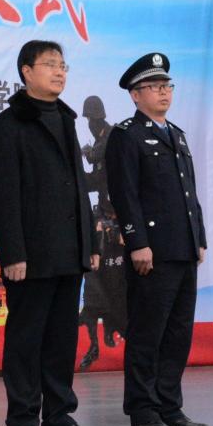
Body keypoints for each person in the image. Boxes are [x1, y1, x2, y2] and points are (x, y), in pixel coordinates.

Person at [0, 40, 101, 426]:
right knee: (26, 338)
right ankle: (23, 420)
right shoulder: (6, 126)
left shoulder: (66, 120)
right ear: (26, 71)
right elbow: (2, 195)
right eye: (50, 64)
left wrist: (89, 242)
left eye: (63, 65)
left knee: (61, 338)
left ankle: (59, 415)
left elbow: (79, 189)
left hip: (68, 250)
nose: (59, 72)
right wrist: (13, 252)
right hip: (31, 255)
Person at [104, 53, 210, 426]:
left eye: (167, 86)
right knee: (148, 331)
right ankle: (143, 409)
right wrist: (137, 242)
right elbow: (125, 193)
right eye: (154, 87)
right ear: (135, 95)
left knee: (178, 332)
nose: (164, 92)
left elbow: (188, 193)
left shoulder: (176, 135)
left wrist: (199, 237)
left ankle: (170, 405)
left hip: (183, 248)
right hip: (152, 251)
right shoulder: (127, 135)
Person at [78, 95, 128, 371]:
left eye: (92, 119)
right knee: (94, 281)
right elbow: (96, 180)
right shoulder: (100, 140)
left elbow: (104, 176)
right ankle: (96, 341)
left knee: (117, 285)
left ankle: (114, 330)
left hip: (119, 220)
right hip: (104, 219)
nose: (90, 123)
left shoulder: (110, 138)